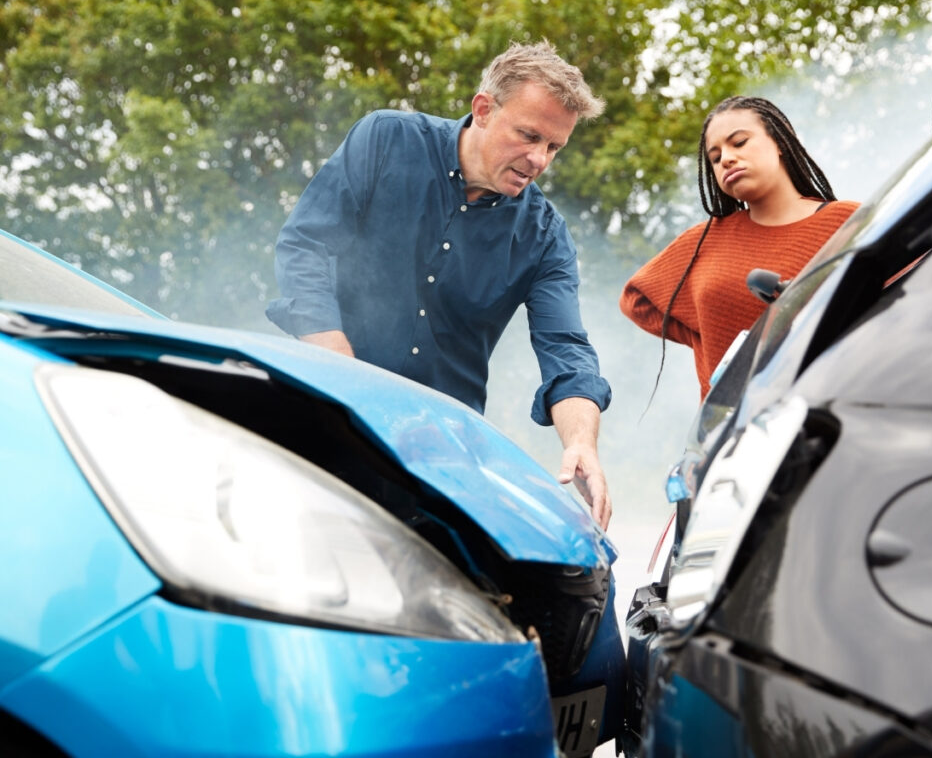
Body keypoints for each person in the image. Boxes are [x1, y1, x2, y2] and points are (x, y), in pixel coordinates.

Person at [266, 41, 613, 528]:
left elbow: (567, 351)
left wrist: (580, 443)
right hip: (322, 418)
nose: (539, 159)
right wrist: (345, 377)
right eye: (529, 135)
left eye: (553, 147)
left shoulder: (545, 236)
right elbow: (305, 245)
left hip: (435, 462)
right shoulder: (386, 139)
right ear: (484, 109)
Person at [619, 96, 859, 401]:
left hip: (831, 412)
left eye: (740, 142)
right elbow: (636, 299)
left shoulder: (847, 221)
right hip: (730, 434)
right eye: (716, 158)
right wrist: (709, 335)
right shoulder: (705, 240)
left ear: (781, 140)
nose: (727, 160)